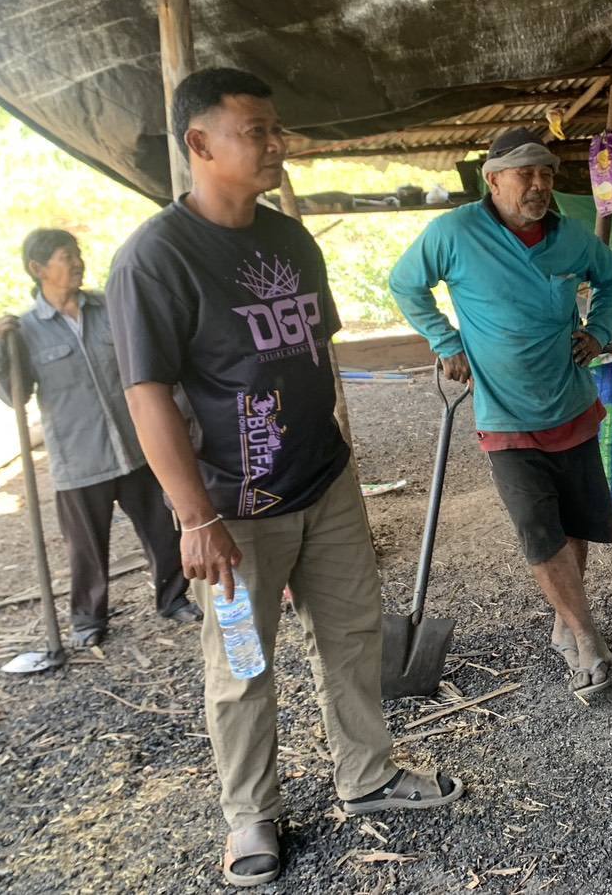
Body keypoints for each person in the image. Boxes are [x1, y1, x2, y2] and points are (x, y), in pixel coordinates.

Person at [105, 68, 460, 888]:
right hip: (232, 513)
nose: (277, 145)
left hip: (323, 486)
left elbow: (315, 356)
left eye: (277, 129)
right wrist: (195, 518)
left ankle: (366, 774)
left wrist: (341, 456)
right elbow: (146, 395)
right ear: (199, 143)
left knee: (352, 637)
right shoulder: (156, 259)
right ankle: (250, 814)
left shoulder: (291, 240)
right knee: (241, 664)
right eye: (256, 131)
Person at [389, 127, 612, 698]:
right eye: (526, 174)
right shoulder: (454, 233)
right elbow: (405, 284)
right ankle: (586, 637)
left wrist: (598, 330)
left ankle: (566, 620)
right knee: (538, 528)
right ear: (493, 180)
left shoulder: (571, 238)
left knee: (575, 522)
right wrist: (445, 341)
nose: (539, 185)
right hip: (505, 414)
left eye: (546, 173)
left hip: (571, 403)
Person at [0, 229, 196, 649]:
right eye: (66, 256)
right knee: (86, 549)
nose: (77, 262)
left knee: (162, 530)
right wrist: (1, 353)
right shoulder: (24, 330)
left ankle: (174, 599)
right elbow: (15, 397)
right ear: (38, 269)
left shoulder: (111, 308)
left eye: (77, 253)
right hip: (79, 458)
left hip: (136, 446)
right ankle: (88, 620)